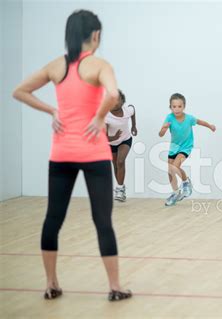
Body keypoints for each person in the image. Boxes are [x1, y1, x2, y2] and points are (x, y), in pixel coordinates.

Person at [12, 10, 131, 301]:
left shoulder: (56, 66)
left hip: (61, 152)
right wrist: (100, 116)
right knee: (102, 220)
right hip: (93, 154)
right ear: (95, 35)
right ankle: (115, 288)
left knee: (53, 218)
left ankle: (51, 284)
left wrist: (52, 110)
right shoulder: (99, 65)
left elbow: (20, 91)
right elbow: (113, 95)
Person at [159, 93, 216, 206]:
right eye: (174, 106)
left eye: (179, 106)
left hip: (186, 147)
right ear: (170, 107)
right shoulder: (169, 118)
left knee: (175, 167)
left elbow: (200, 122)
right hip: (173, 148)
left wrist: (210, 126)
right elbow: (160, 134)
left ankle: (186, 182)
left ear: (184, 106)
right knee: (170, 171)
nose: (177, 109)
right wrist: (164, 129)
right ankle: (175, 193)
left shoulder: (189, 118)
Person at [106, 89, 137, 202]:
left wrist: (134, 126)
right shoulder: (106, 116)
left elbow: (133, 109)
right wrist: (114, 138)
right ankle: (121, 187)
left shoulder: (127, 110)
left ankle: (119, 189)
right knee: (115, 165)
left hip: (125, 140)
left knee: (120, 161)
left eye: (117, 99)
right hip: (110, 143)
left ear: (122, 101)